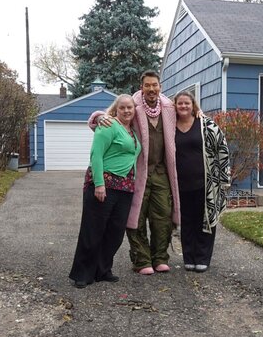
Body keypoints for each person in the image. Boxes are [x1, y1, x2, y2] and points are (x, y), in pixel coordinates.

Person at [88, 71, 180, 275]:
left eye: (154, 85)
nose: (151, 89)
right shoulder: (134, 105)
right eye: (147, 85)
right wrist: (99, 116)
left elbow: (187, 115)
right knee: (136, 216)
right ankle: (141, 259)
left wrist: (199, 113)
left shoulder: (168, 107)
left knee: (163, 215)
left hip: (161, 171)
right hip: (138, 171)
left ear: (160, 86)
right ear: (141, 87)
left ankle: (160, 257)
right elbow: (112, 113)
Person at [69, 94, 141, 289]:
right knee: (92, 230)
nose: (126, 110)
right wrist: (99, 184)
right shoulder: (108, 125)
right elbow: (96, 155)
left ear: (134, 110)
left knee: (115, 233)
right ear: (116, 110)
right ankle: (82, 274)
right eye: (122, 107)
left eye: (130, 107)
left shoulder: (133, 132)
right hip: (104, 185)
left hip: (125, 188)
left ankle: (102, 270)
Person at [173, 91, 230, 272]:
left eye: (187, 103)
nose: (183, 106)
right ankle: (189, 257)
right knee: (186, 222)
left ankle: (203, 258)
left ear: (193, 105)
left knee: (205, 221)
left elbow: (222, 148)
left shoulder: (206, 124)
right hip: (180, 185)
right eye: (180, 103)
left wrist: (224, 177)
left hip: (205, 184)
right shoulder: (169, 126)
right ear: (175, 106)